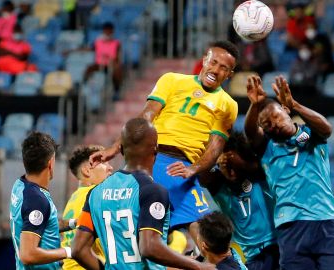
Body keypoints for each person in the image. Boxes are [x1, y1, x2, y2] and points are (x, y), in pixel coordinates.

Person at [90, 40, 239, 253]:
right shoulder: (172, 80)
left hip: (181, 170)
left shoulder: (228, 105)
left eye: (223, 68)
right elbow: (147, 115)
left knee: (207, 234)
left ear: (230, 74)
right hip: (150, 159)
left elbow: (215, 148)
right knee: (143, 230)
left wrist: (193, 169)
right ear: (204, 60)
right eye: (213, 62)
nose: (215, 70)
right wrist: (116, 146)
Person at [73, 118, 215, 270]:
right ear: (156, 149)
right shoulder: (153, 191)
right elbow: (149, 247)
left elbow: (78, 249)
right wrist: (198, 266)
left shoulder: (96, 193)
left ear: (121, 150)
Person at [244, 75, 334, 269]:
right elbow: (250, 133)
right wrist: (254, 105)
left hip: (325, 219)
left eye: (275, 116)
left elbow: (327, 129)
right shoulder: (267, 147)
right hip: (290, 226)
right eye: (266, 124)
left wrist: (296, 105)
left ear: (285, 110)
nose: (273, 124)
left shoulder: (312, 134)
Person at [199, 132, 279, 270]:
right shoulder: (218, 184)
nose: (230, 170)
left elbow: (251, 161)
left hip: (276, 244)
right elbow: (202, 175)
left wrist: (231, 158)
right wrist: (215, 156)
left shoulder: (257, 173)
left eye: (231, 161)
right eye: (224, 162)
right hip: (252, 256)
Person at [9, 131, 74, 269]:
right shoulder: (36, 200)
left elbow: (42, 223)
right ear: (50, 163)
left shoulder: (20, 185)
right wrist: (68, 251)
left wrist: (74, 224)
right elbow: (27, 255)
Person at [61, 145, 113, 270]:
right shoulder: (96, 195)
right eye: (103, 162)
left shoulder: (73, 199)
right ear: (87, 171)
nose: (110, 168)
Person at [0, 25, 37, 92]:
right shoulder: (5, 41)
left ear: (22, 33)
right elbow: (0, 53)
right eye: (15, 32)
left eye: (19, 32)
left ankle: (28, 90)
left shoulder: (25, 45)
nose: (17, 34)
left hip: (16, 66)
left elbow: (23, 57)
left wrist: (8, 52)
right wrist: (15, 54)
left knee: (32, 67)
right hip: (2, 64)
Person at [83, 22, 122, 94]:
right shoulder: (97, 42)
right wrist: (71, 51)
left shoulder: (116, 43)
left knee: (117, 71)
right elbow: (89, 49)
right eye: (106, 31)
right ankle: (84, 87)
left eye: (109, 31)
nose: (107, 33)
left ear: (112, 31)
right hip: (99, 64)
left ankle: (116, 90)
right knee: (88, 68)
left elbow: (118, 56)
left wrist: (114, 62)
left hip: (110, 64)